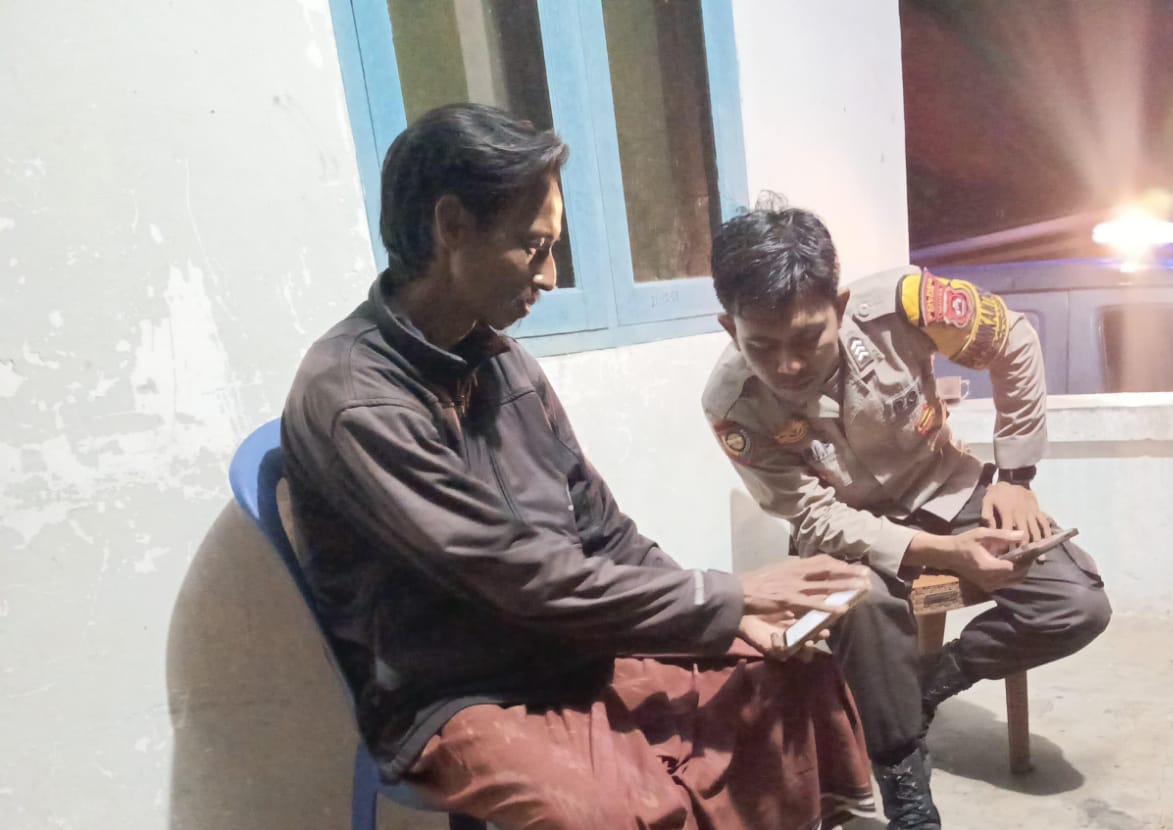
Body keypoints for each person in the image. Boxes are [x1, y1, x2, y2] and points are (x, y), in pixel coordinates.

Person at [280, 104, 878, 830]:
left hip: (568, 641)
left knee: (786, 671)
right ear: (452, 226)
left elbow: (604, 531)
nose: (551, 276)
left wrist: (731, 616)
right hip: (455, 689)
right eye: (534, 248)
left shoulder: (503, 363)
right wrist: (725, 597)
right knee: (608, 810)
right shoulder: (355, 398)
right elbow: (518, 577)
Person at [702, 201, 1113, 828]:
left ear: (840, 307)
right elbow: (812, 514)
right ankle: (905, 787)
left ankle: (929, 683)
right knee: (862, 605)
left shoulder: (907, 304)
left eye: (807, 338)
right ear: (730, 329)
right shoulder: (732, 403)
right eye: (761, 345)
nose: (787, 365)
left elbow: (1014, 339)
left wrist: (1015, 477)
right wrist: (946, 555)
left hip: (946, 487)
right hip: (846, 530)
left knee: (1077, 603)